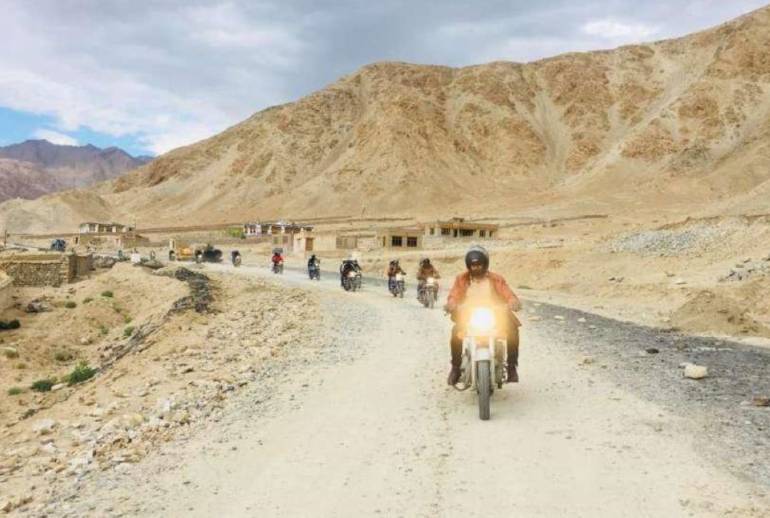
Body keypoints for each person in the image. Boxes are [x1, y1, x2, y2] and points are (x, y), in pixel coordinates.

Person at [444, 246, 522, 385]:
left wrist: (512, 301)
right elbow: (454, 294)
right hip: (468, 315)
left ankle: (511, 367)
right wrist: (451, 303)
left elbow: (507, 292)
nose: (476, 268)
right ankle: (455, 367)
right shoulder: (461, 279)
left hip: (495, 315)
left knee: (512, 330)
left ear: (485, 264)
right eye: (473, 265)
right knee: (456, 332)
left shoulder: (496, 279)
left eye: (479, 265)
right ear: (469, 266)